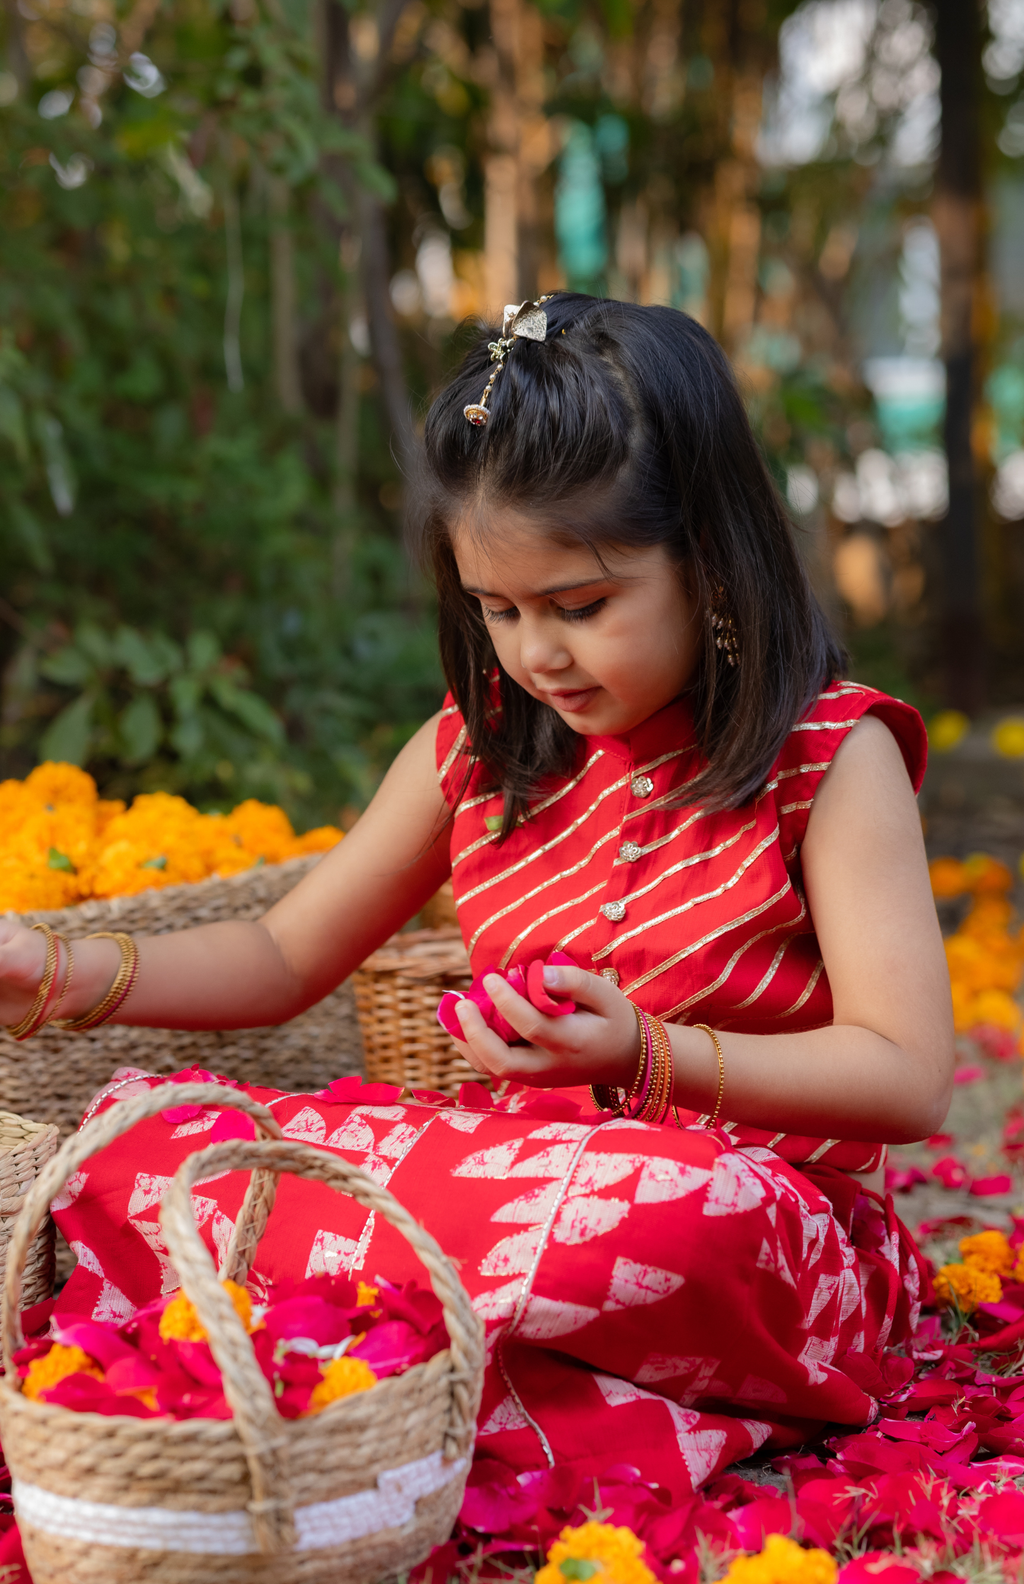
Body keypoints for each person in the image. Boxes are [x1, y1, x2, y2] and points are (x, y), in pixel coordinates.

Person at [0, 294, 952, 1499]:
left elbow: (909, 1077)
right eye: (496, 611)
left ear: (708, 560)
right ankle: (481, 1378)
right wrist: (59, 974)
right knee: (150, 1146)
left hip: (745, 1229)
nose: (534, 656)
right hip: (506, 1193)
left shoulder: (829, 754)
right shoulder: (479, 745)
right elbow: (289, 952)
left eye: (580, 606)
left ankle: (415, 1363)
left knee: (667, 1215)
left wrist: (648, 1054)